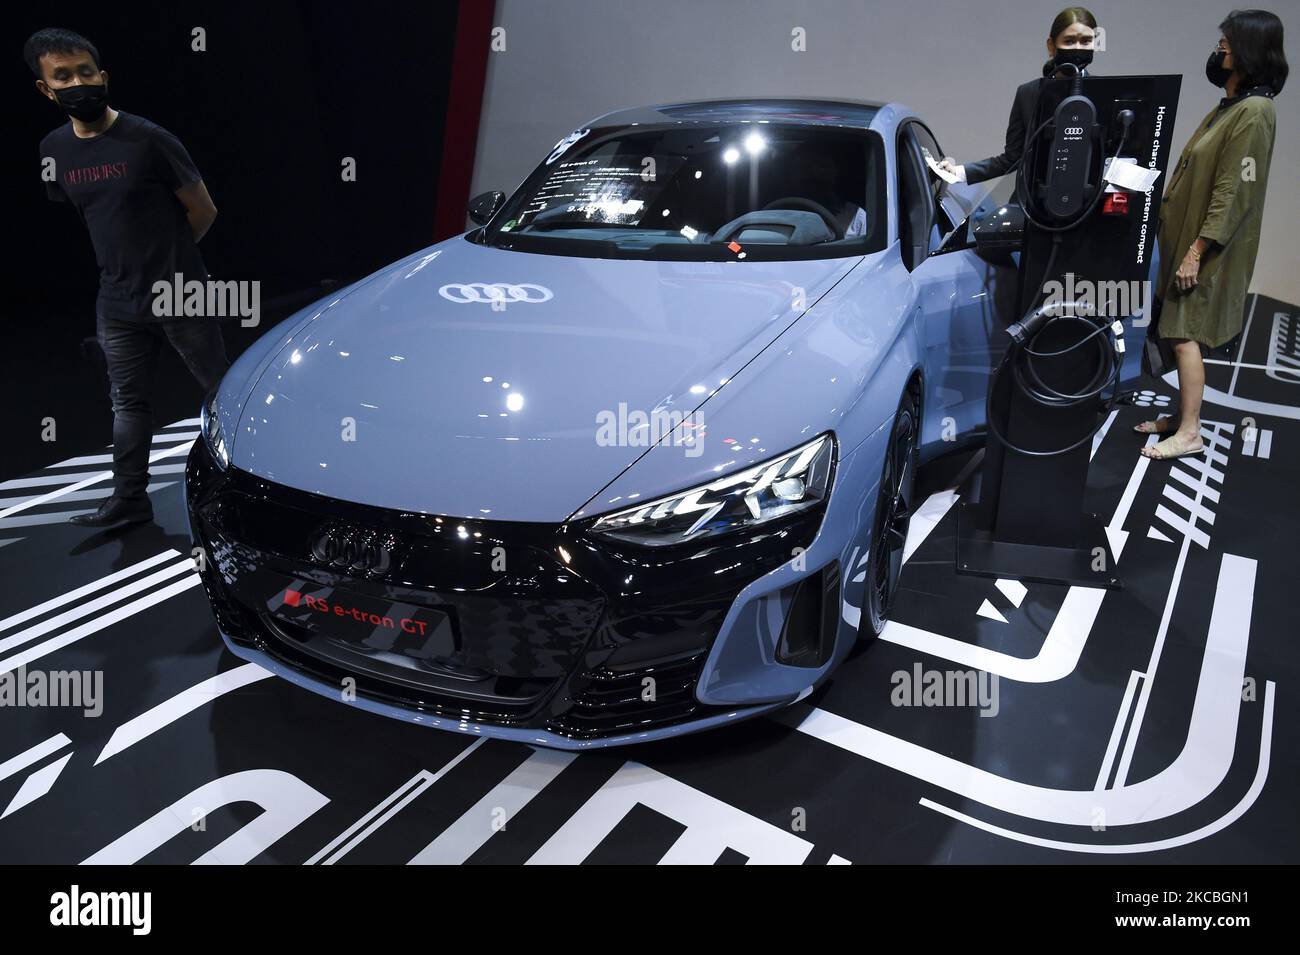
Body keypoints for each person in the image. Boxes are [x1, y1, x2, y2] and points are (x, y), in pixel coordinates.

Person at [26, 27, 228, 527]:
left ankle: (252, 486)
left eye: (85, 71)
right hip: (116, 301)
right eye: (63, 76)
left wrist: (173, 264)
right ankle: (129, 500)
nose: (78, 83)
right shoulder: (54, 151)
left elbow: (203, 211)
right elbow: (96, 218)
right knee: (127, 404)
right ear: (45, 89)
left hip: (181, 293)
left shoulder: (150, 139)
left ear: (103, 75)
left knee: (223, 392)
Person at [1136, 9, 1285, 460]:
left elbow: (1235, 189)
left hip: (1207, 247)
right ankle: (1180, 416)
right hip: (1185, 240)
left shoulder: (1255, 113)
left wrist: (1197, 251)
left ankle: (1191, 433)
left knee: (1185, 334)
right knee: (1174, 329)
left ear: (1248, 52)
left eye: (1226, 44)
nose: (1219, 51)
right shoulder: (1233, 107)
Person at [937, 7, 1099, 185]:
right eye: (1069, 41)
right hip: (1034, 200)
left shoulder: (1104, 91)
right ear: (1051, 46)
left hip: (1089, 200)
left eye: (1086, 41)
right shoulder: (1028, 93)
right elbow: (1013, 157)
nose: (1077, 48)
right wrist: (959, 172)